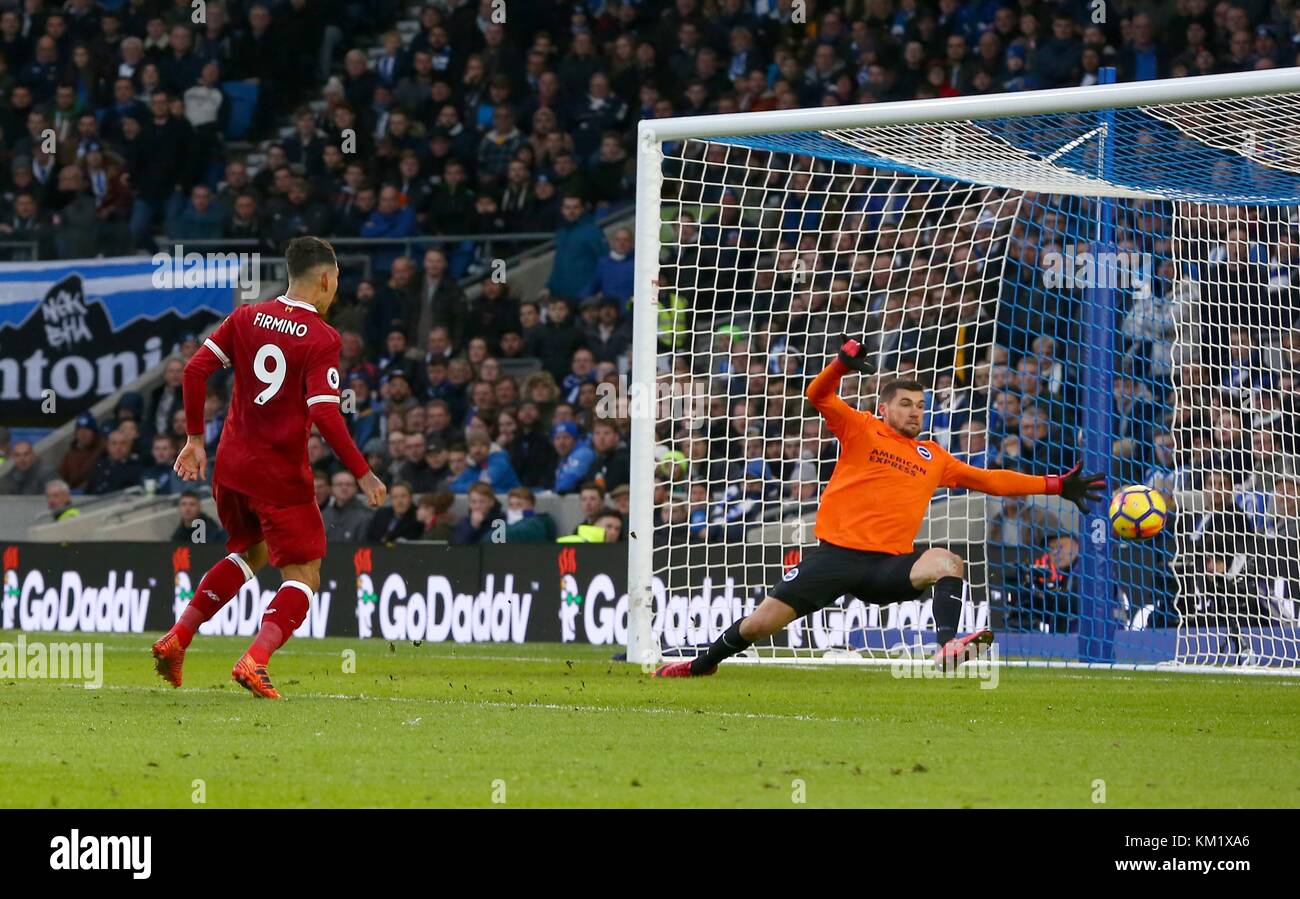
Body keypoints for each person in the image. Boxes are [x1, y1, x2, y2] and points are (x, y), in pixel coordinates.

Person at [656, 336, 1105, 677]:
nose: (915, 412)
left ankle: (947, 647)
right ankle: (703, 664)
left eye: (921, 406)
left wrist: (1054, 485)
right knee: (757, 626)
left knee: (948, 561)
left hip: (887, 565)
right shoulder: (861, 429)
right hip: (834, 558)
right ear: (883, 407)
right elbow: (819, 397)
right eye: (905, 404)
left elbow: (989, 480)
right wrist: (839, 365)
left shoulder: (933, 456)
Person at [153, 237, 387, 700]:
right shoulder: (323, 337)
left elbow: (194, 371)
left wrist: (195, 440)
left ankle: (178, 636)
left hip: (231, 467)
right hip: (279, 476)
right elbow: (324, 413)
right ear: (325, 279)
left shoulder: (245, 317)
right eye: (336, 280)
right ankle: (255, 660)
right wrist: (363, 471)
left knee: (250, 554)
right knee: (305, 576)